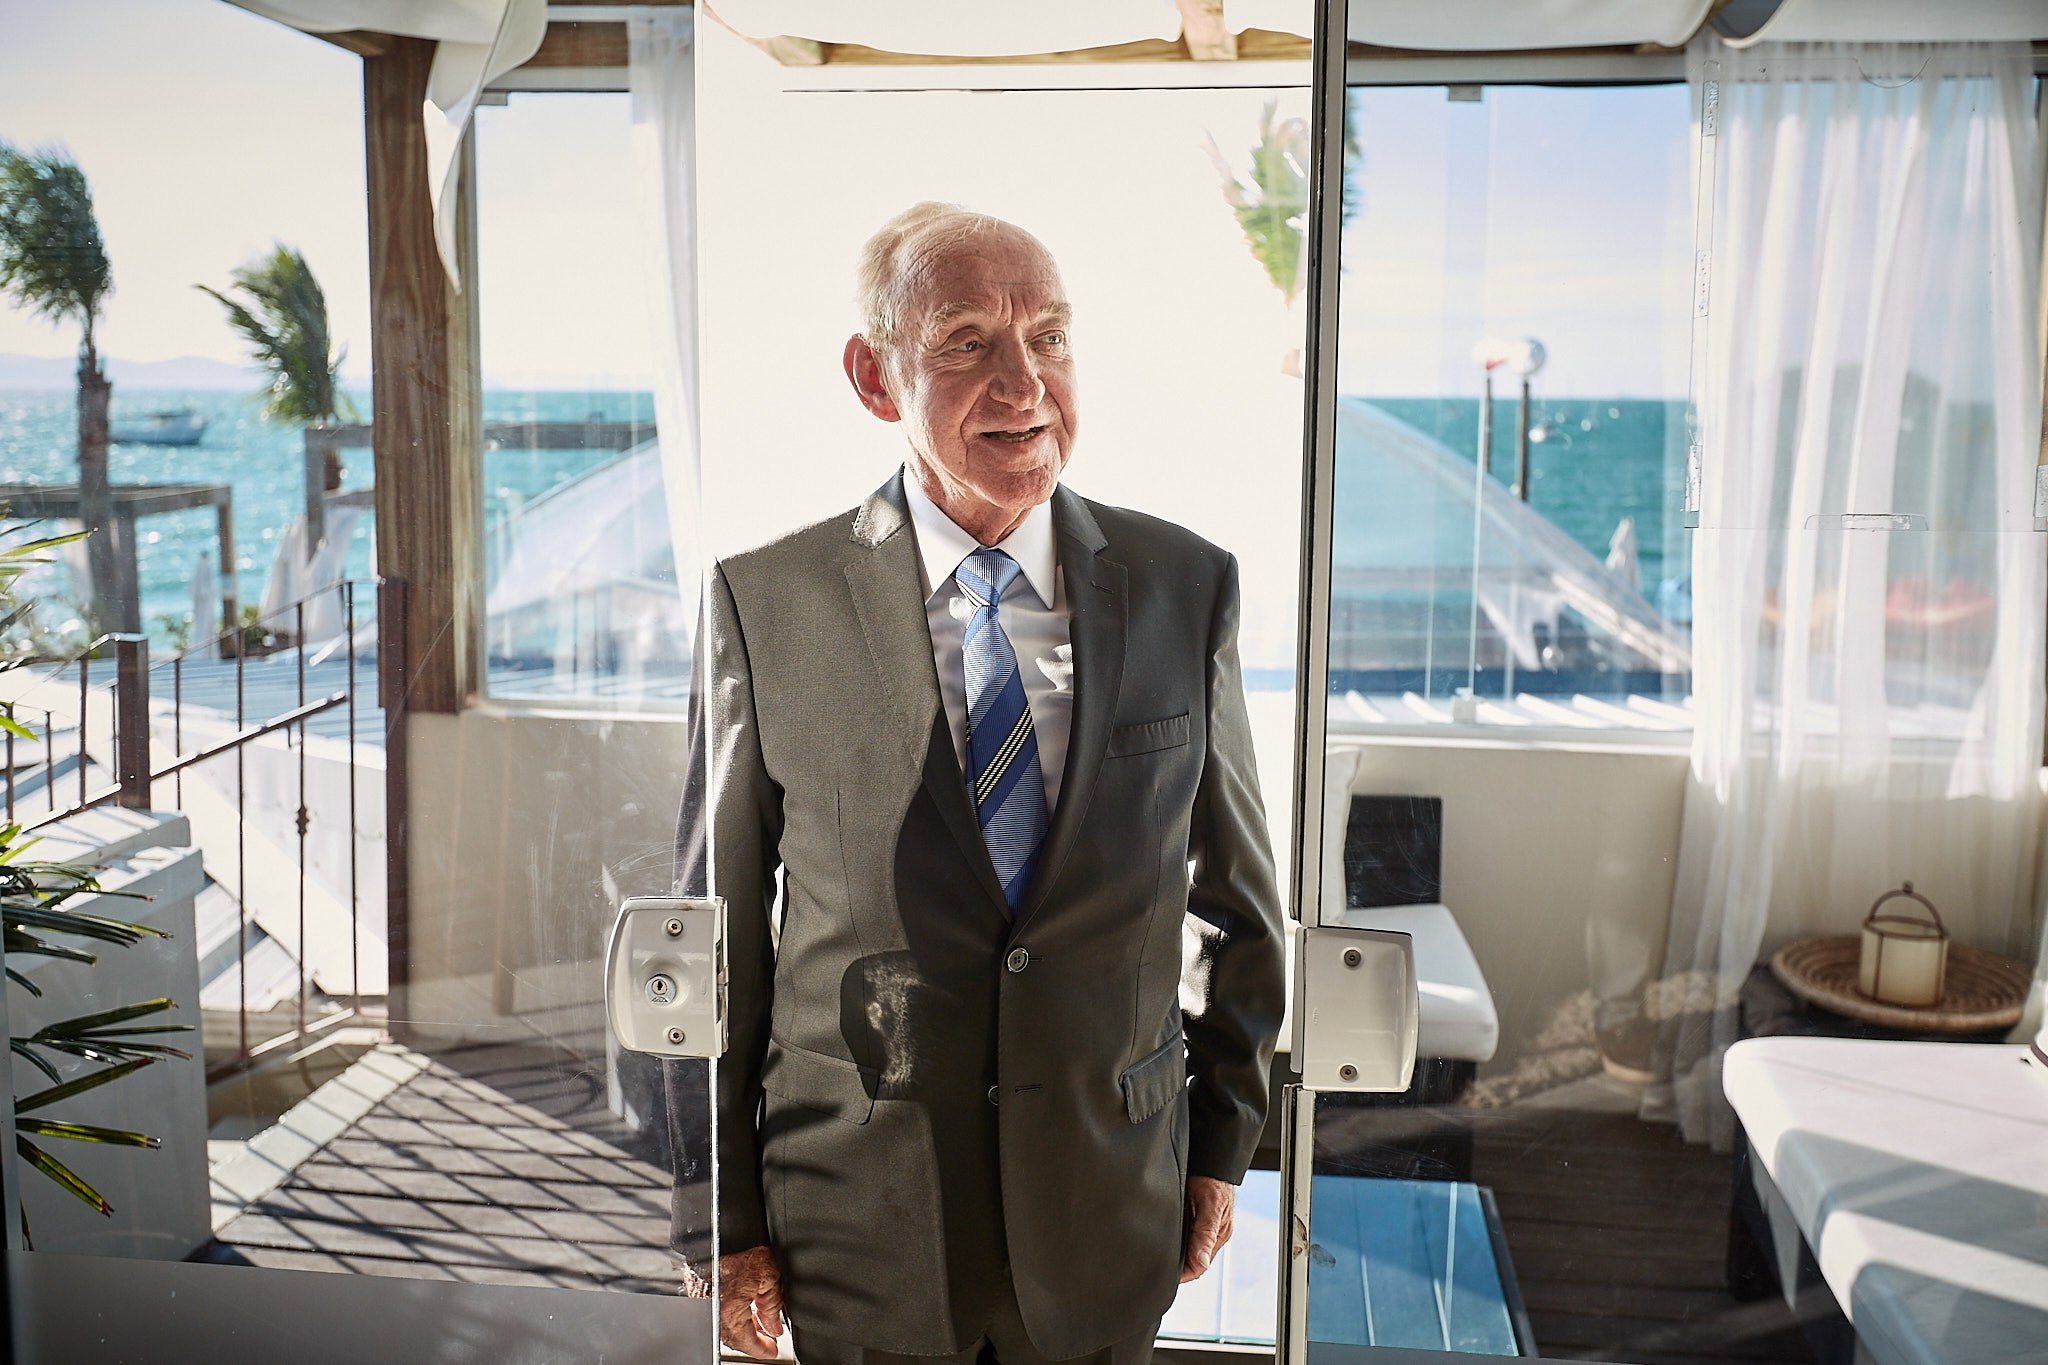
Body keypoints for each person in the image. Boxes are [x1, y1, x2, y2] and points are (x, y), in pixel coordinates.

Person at [704, 201, 1285, 1365]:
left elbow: (1240, 903)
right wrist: (719, 1216)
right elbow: (719, 943)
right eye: (967, 342)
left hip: (1108, 1205)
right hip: (856, 1221)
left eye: (1049, 337)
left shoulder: (1186, 584)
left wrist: (1221, 1142)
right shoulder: (764, 603)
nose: (1025, 383)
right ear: (874, 377)